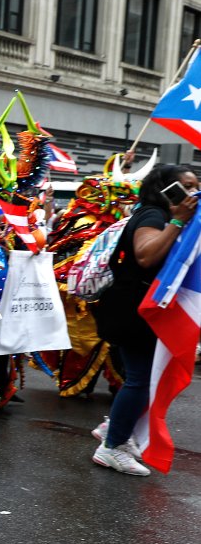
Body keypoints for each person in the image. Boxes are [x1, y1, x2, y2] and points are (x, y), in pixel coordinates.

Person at [89, 165, 198, 475]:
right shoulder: (153, 216)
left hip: (136, 308)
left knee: (143, 378)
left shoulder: (157, 215)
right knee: (140, 379)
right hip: (133, 310)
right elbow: (146, 256)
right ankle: (111, 446)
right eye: (186, 187)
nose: (193, 194)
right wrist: (178, 220)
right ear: (166, 190)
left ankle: (114, 430)